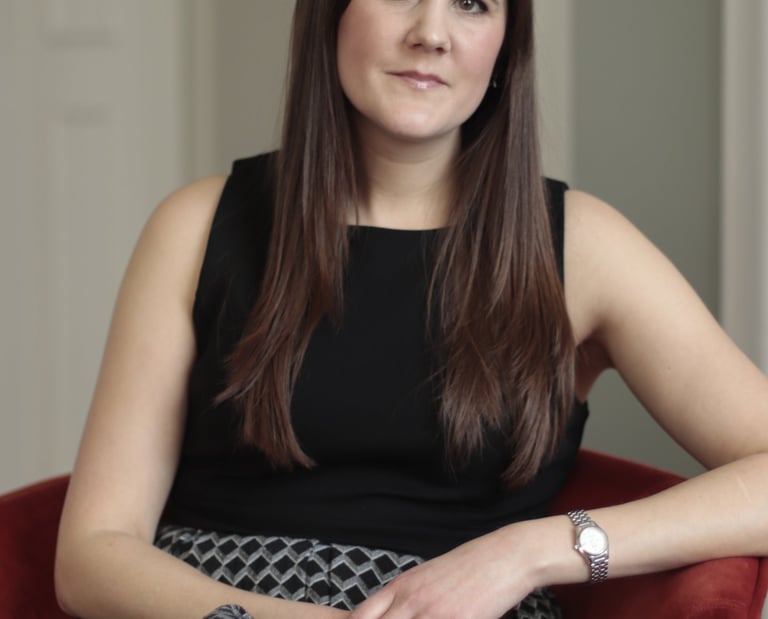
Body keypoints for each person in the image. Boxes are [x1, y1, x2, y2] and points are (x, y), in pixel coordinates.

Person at [54, 1, 768, 618]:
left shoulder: (582, 248)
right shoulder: (195, 227)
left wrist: (535, 551)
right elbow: (92, 551)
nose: (432, 32)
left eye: (471, 2)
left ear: (506, 42)